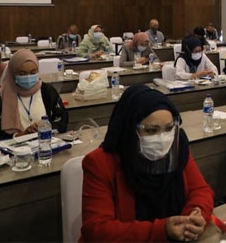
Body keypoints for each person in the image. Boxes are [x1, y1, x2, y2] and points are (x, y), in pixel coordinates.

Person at [80, 84, 214, 242]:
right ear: (130, 130)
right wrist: (161, 230)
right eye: (151, 130)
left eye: (169, 128)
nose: (162, 138)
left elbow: (201, 190)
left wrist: (193, 216)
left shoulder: (177, 150)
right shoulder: (100, 163)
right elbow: (97, 230)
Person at [0, 49, 67, 141]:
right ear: (13, 73)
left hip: (45, 142)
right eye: (22, 73)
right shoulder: (0, 98)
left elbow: (61, 121)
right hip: (14, 147)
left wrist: (45, 129)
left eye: (33, 72)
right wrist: (22, 135)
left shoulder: (47, 91)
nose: (28, 77)